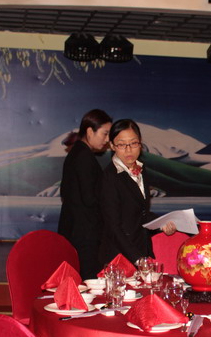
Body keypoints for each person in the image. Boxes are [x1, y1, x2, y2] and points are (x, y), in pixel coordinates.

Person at [99, 119, 175, 265]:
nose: (129, 150)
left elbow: (140, 212)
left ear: (140, 143)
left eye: (133, 143)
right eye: (122, 144)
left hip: (142, 250)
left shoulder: (140, 169)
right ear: (112, 146)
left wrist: (162, 224)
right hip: (119, 258)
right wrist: (138, 259)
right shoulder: (108, 177)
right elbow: (113, 227)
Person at [58, 109, 112, 279]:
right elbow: (90, 199)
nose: (107, 139)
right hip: (85, 236)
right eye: (105, 134)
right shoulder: (84, 157)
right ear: (90, 131)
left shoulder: (77, 153)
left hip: (75, 231)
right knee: (89, 283)